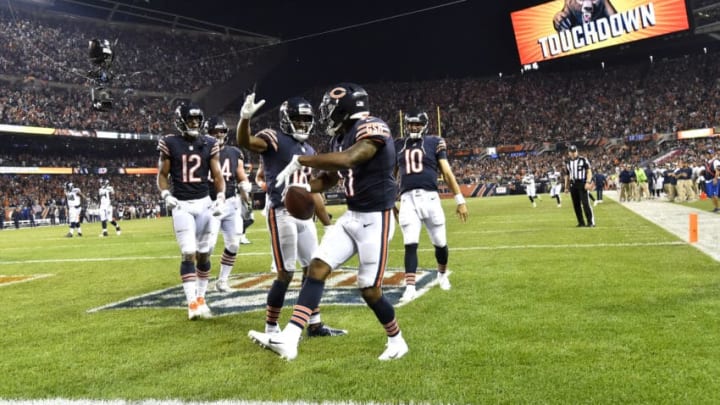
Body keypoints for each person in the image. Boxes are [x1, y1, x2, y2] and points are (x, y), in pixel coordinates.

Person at [245, 83, 408, 361]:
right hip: (352, 215)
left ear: (344, 110)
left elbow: (350, 159)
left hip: (376, 220)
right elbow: (330, 178)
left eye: (330, 110)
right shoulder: (339, 137)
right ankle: (290, 338)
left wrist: (303, 159)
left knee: (369, 289)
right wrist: (305, 189)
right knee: (317, 268)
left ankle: (396, 340)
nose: (326, 116)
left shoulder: (373, 127)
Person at [237, 95, 345, 338]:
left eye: (307, 120)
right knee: (285, 273)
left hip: (305, 217)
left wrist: (327, 221)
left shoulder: (309, 149)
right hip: (281, 212)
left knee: (313, 270)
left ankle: (314, 323)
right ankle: (271, 326)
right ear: (286, 120)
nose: (304, 124)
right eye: (298, 119)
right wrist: (244, 119)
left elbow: (311, 188)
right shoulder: (274, 139)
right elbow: (245, 141)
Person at [157, 103, 226, 320]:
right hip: (182, 204)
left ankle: (202, 298)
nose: (194, 123)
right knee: (188, 251)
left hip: (205, 202)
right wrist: (166, 195)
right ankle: (191, 303)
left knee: (204, 253)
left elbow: (217, 175)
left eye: (197, 120)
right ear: (181, 121)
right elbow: (162, 174)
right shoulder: (170, 142)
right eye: (190, 120)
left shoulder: (209, 143)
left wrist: (221, 196)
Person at [394, 109, 468, 303]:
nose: (413, 127)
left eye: (417, 124)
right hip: (407, 199)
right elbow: (391, 175)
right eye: (410, 123)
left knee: (440, 243)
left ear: (424, 125)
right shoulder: (399, 144)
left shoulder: (434, 141)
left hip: (431, 198)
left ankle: (442, 276)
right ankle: (410, 287)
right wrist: (389, 201)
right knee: (410, 244)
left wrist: (460, 200)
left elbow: (446, 171)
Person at [203, 117, 252, 293]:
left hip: (231, 202)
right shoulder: (202, 151)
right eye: (215, 132)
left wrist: (245, 187)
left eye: (221, 131)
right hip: (210, 201)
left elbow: (240, 175)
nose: (219, 135)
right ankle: (201, 280)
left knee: (233, 244)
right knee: (207, 246)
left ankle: (222, 281)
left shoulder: (233, 152)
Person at [563, 145, 594, 227]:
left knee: (585, 203)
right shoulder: (567, 162)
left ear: (577, 151)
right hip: (573, 184)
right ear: (569, 152)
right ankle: (581, 222)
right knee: (576, 205)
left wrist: (588, 182)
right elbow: (567, 175)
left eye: (574, 152)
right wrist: (566, 187)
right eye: (571, 152)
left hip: (582, 183)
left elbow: (589, 172)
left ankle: (590, 222)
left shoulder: (583, 160)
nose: (573, 153)